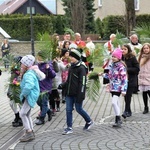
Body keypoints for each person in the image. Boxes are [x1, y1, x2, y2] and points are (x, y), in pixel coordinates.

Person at [61, 48, 93, 135]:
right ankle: (69, 127)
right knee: (68, 110)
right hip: (69, 93)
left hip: (77, 94)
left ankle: (89, 121)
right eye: (70, 56)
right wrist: (63, 85)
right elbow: (69, 81)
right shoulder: (71, 67)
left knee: (79, 109)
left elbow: (82, 83)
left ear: (77, 58)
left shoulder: (81, 68)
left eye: (72, 57)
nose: (70, 58)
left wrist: (81, 94)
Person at [19, 55, 45, 142]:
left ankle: (29, 132)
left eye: (22, 64)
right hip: (31, 95)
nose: (21, 65)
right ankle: (31, 131)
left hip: (29, 96)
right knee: (27, 114)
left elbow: (29, 85)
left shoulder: (28, 74)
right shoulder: (30, 72)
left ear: (26, 65)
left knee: (22, 113)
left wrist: (23, 94)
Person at [100, 48, 128, 128]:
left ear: (119, 57)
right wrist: (102, 75)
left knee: (113, 102)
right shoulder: (111, 65)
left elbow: (124, 79)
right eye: (112, 56)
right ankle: (117, 119)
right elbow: (109, 76)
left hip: (118, 87)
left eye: (115, 57)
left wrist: (124, 90)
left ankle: (118, 118)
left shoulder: (121, 67)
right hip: (112, 87)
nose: (113, 58)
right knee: (117, 103)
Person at [36, 51, 56, 125]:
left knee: (44, 103)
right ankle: (48, 111)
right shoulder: (37, 65)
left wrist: (48, 69)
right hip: (38, 87)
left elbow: (53, 75)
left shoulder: (48, 64)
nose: (38, 58)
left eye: (39, 56)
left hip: (46, 88)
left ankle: (42, 119)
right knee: (38, 102)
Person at [121, 45, 139, 118]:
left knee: (128, 95)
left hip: (131, 79)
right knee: (126, 96)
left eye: (125, 49)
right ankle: (129, 111)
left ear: (128, 50)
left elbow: (137, 69)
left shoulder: (132, 58)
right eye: (122, 49)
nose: (123, 50)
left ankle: (126, 111)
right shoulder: (120, 58)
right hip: (123, 80)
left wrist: (127, 70)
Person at [7, 56, 23, 127]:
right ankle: (17, 116)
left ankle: (22, 118)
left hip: (19, 89)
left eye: (15, 62)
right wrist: (9, 90)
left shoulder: (23, 70)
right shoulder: (13, 70)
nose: (13, 63)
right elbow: (11, 81)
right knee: (11, 103)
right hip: (13, 88)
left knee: (20, 104)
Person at [138, 43, 150, 114]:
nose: (145, 50)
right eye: (144, 48)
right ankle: (146, 107)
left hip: (149, 78)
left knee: (149, 92)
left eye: (147, 48)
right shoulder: (141, 57)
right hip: (142, 77)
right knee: (144, 93)